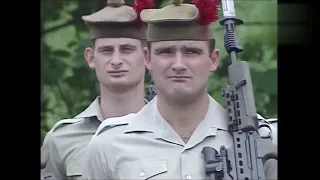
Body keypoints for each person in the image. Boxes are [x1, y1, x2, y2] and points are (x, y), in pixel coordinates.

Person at [82, 0, 277, 179]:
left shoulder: (261, 137)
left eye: (191, 52)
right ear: (147, 58)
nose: (178, 64)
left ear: (213, 60)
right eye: (166, 52)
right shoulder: (109, 145)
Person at [40, 0, 153, 179]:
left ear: (147, 57)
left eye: (126, 49)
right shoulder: (62, 140)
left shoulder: (168, 132)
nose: (116, 60)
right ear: (90, 58)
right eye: (107, 50)